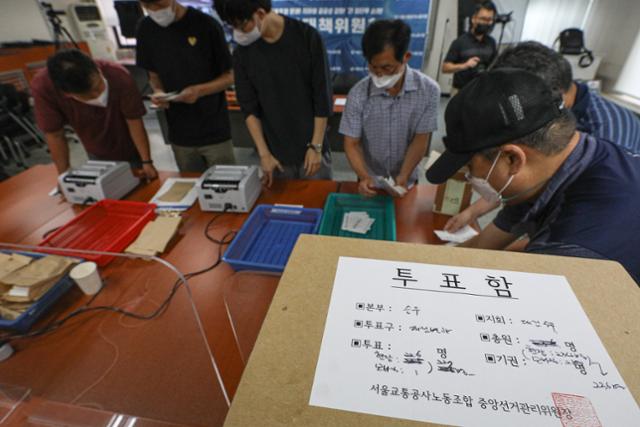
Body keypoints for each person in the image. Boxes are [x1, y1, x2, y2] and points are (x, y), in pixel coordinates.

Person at [426, 69, 640, 284]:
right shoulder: (552, 172)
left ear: (512, 159)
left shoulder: (573, 252)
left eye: (470, 167)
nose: (470, 177)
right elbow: (483, 244)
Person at [444, 41, 640, 232]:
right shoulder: (543, 128)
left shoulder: (607, 132)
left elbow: (594, 225)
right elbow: (522, 181)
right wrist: (473, 212)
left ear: (551, 95)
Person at [215, 0, 333, 187]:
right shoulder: (243, 53)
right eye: (231, 27)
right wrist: (264, 154)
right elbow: (249, 107)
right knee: (283, 209)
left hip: (312, 148)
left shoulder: (307, 37)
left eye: (241, 25)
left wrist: (316, 146)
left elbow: (322, 98)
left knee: (318, 205)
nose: (238, 33)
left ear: (260, 13)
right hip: (276, 154)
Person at [340, 19, 439, 197]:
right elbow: (351, 143)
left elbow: (420, 140)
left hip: (407, 179)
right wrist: (363, 177)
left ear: (405, 57)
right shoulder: (358, 93)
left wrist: (403, 176)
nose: (379, 74)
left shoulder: (428, 91)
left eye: (387, 67)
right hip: (369, 178)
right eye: (373, 67)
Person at [136, 0, 235, 172]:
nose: (154, 11)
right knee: (190, 185)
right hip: (179, 132)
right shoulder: (145, 29)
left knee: (224, 183)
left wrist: (200, 91)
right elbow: (153, 74)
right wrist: (159, 91)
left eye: (159, 5)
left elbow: (230, 76)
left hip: (214, 129)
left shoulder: (206, 25)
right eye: (148, 6)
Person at [32, 49, 157, 179]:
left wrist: (146, 161)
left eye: (98, 87)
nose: (97, 95)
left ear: (97, 70)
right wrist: (64, 176)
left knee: (138, 180)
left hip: (128, 145)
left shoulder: (118, 75)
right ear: (67, 94)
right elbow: (55, 134)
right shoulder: (43, 87)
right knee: (107, 182)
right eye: (88, 95)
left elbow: (133, 119)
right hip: (94, 146)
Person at [442, 1, 497, 91]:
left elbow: (495, 65)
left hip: (482, 91)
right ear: (474, 18)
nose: (486, 23)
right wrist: (465, 65)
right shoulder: (460, 42)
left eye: (489, 20)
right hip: (460, 91)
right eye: (483, 19)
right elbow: (445, 68)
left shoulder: (492, 43)